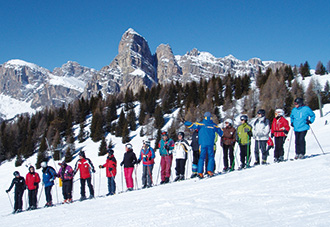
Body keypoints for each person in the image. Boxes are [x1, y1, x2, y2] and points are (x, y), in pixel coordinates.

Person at [184, 112, 223, 178]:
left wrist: (185, 122)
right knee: (211, 157)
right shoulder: (214, 125)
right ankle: (210, 171)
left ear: (204, 117)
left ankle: (200, 172)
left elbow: (191, 125)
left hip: (202, 144)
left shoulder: (201, 124)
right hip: (210, 144)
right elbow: (221, 132)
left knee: (201, 158)